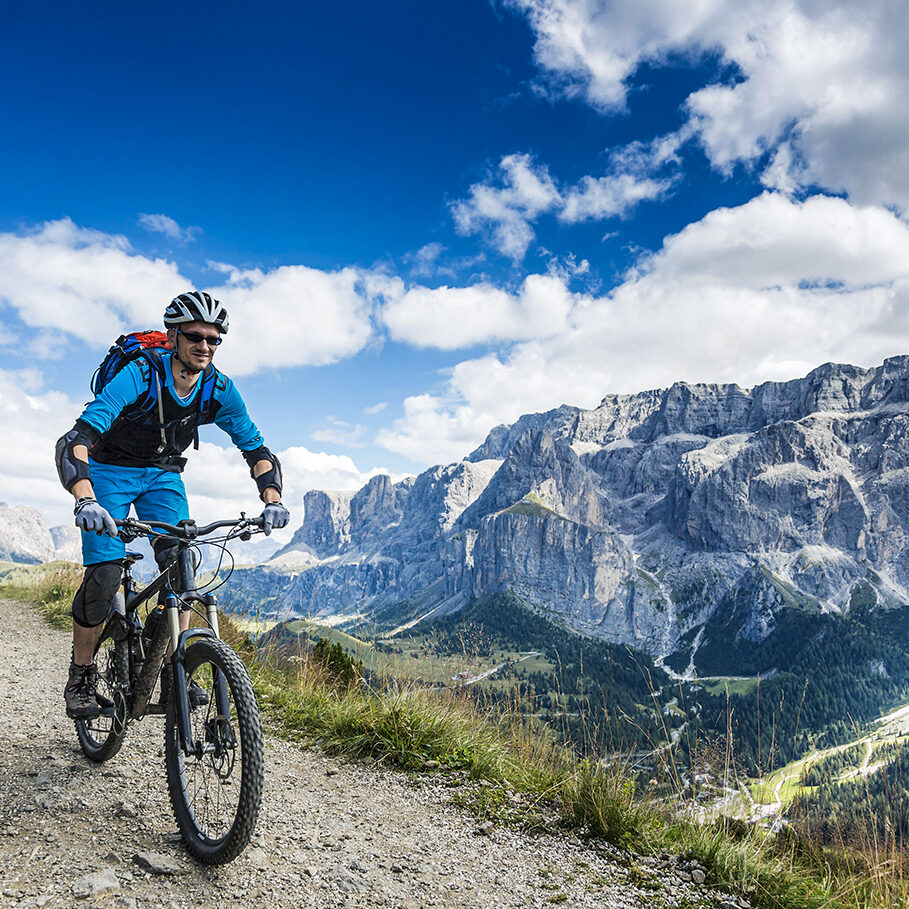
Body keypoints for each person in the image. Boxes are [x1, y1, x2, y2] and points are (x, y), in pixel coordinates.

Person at [54, 291, 290, 719]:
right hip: (108, 470)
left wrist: (272, 500)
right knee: (105, 574)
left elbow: (256, 449)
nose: (205, 346)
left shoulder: (219, 387)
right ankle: (82, 674)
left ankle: (174, 668)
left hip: (164, 476)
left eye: (214, 339)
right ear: (173, 336)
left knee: (182, 562)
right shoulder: (139, 374)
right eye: (195, 336)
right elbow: (76, 442)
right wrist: (84, 499)